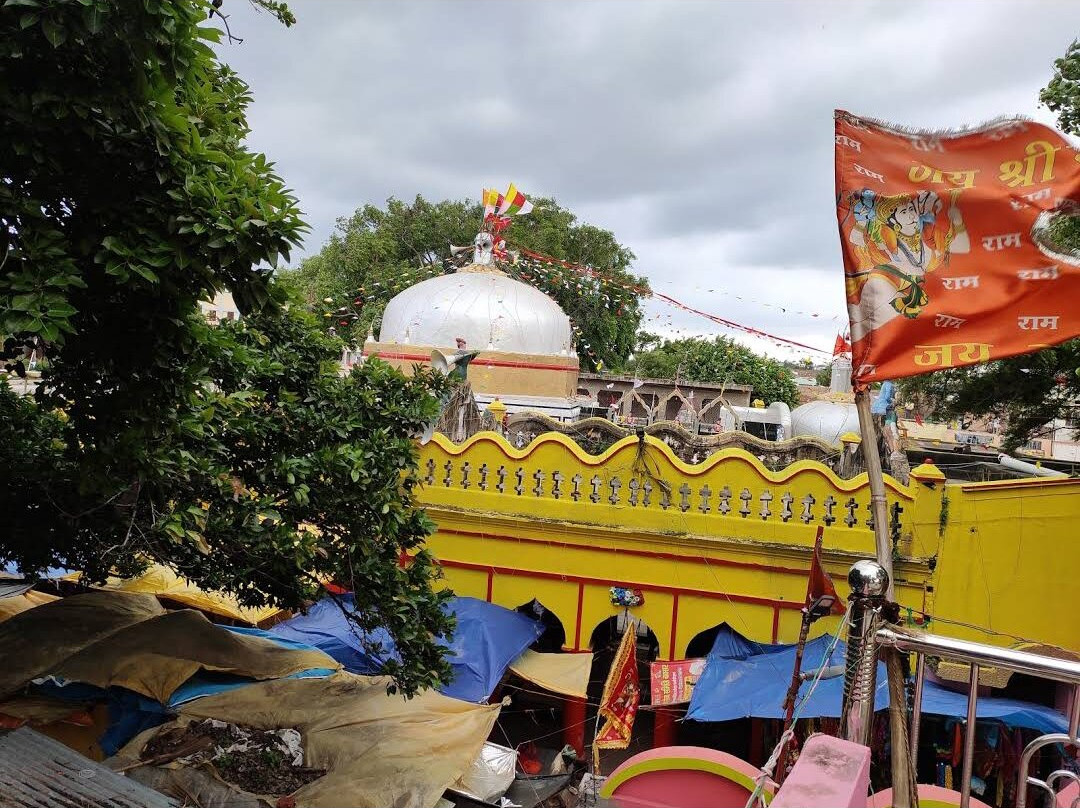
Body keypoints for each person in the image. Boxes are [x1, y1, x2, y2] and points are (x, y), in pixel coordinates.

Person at [845, 189, 969, 342]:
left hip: (913, 288)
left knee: (870, 322)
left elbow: (963, 248)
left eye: (911, 209)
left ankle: (857, 346)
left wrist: (957, 222)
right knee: (873, 316)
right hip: (887, 276)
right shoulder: (884, 235)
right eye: (903, 212)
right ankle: (856, 349)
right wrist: (862, 222)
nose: (910, 215)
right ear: (893, 220)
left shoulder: (929, 233)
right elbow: (856, 240)